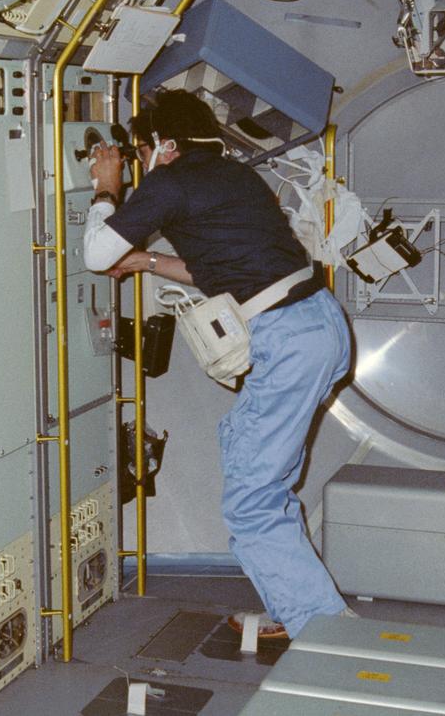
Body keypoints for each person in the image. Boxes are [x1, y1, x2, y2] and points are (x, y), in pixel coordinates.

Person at [83, 89, 353, 638]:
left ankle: (326, 633)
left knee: (253, 501)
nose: (142, 163)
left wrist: (107, 187)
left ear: (164, 144)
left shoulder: (170, 180)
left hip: (288, 341)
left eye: (142, 152)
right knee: (241, 444)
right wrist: (148, 261)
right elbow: (220, 269)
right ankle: (294, 600)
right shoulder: (235, 174)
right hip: (318, 324)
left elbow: (94, 254)